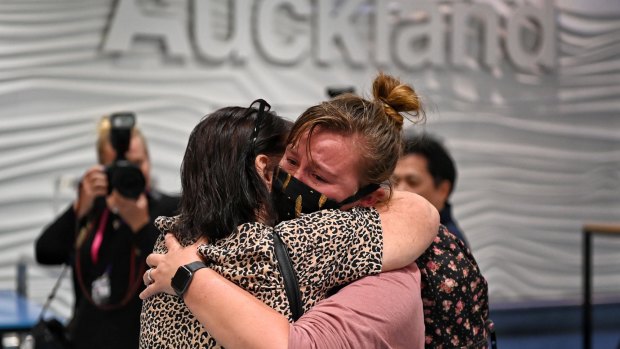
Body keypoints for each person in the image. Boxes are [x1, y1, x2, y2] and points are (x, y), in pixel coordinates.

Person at [140, 73, 435, 348]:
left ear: (370, 197)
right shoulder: (301, 241)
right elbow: (420, 212)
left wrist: (187, 273)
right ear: (264, 169)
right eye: (291, 161)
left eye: (319, 177)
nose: (294, 180)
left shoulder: (170, 239)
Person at [35, 115, 179, 349]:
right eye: (120, 166)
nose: (131, 172)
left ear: (149, 161)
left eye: (138, 163)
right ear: (103, 169)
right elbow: (45, 252)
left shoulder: (168, 209)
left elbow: (176, 270)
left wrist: (141, 225)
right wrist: (79, 208)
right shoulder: (93, 210)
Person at [392, 132, 468, 246]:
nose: (400, 191)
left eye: (413, 182)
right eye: (394, 182)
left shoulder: (446, 245)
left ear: (443, 190)